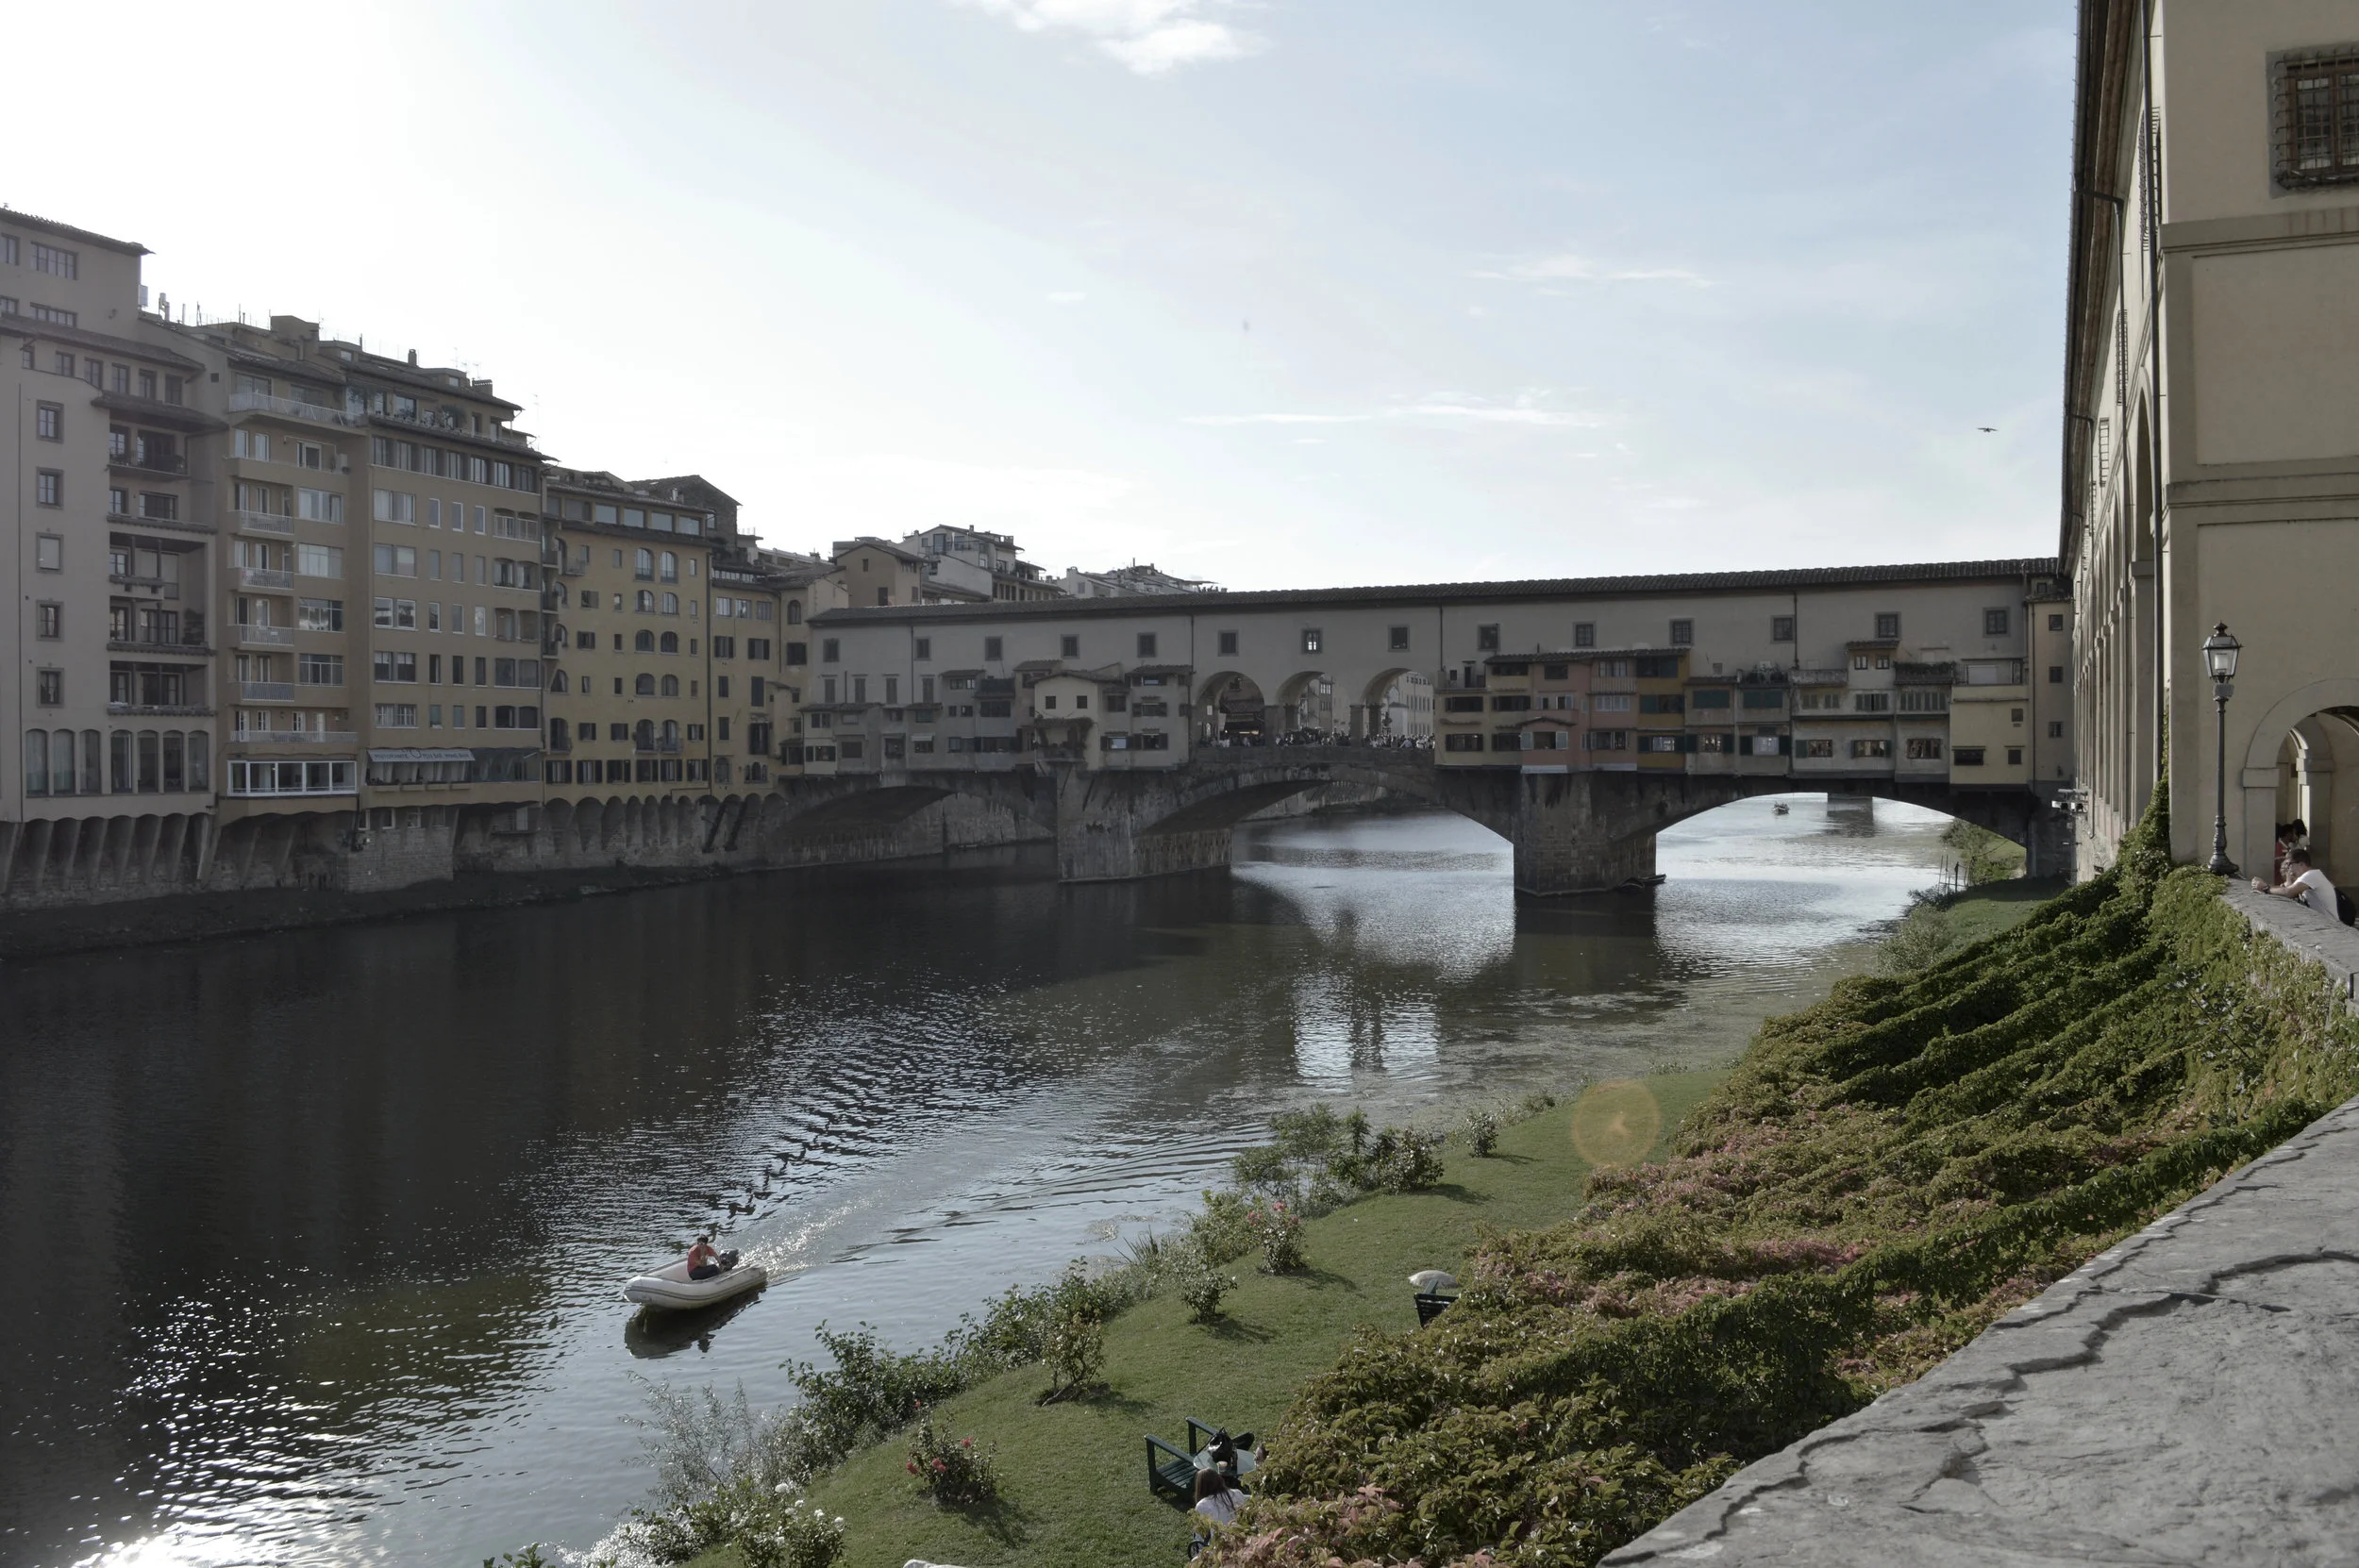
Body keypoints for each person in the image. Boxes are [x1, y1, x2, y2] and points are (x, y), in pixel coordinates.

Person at [2254, 846, 2338, 918]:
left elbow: (2289, 892)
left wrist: (2266, 888)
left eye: (2289, 864)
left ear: (2301, 864)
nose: (2288, 868)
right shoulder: (2308, 877)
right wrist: (2266, 885)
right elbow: (2286, 888)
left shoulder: (2312, 875)